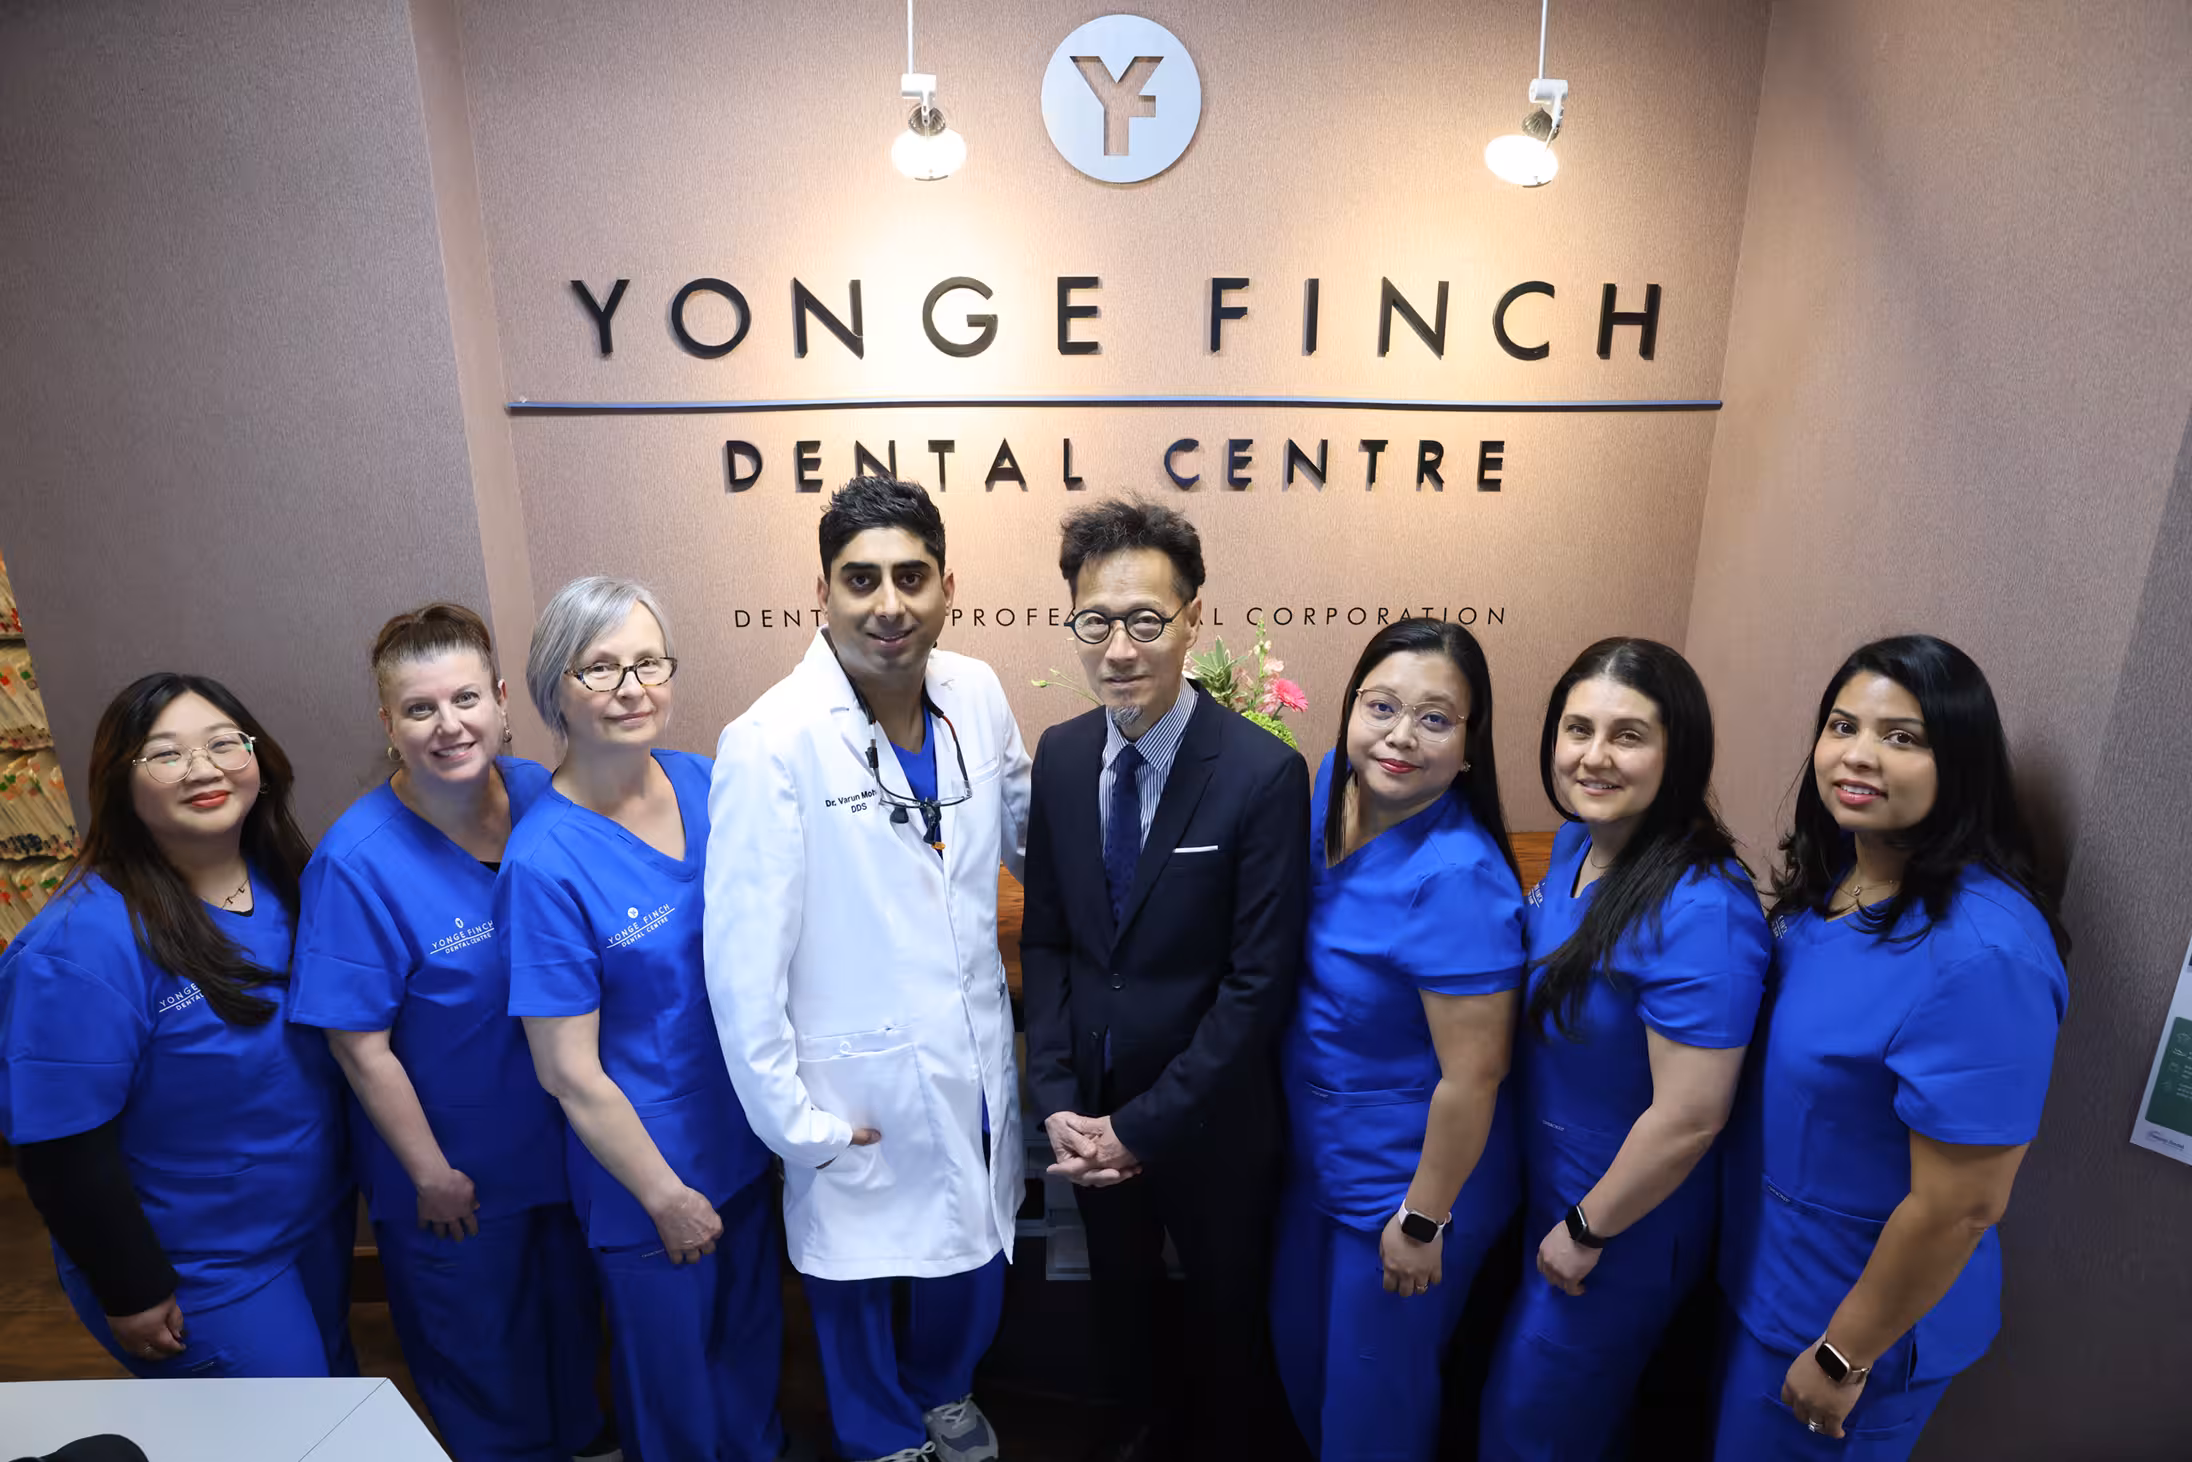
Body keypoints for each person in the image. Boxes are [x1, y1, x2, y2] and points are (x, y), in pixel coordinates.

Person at [708, 476, 1030, 1462]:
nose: (887, 603)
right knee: (849, 1276)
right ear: (823, 590)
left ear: (945, 585)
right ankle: (880, 1433)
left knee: (972, 1251)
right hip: (849, 1071)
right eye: (861, 580)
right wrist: (788, 1117)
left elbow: (1028, 821)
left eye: (909, 575)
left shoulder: (972, 691)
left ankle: (943, 1393)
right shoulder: (769, 739)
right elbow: (740, 961)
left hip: (970, 1050)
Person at [1714, 635, 2069, 1460]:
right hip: (1771, 1275)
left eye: (1902, 737)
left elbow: (1964, 1204)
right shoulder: (1841, 877)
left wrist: (1845, 1353)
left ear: (1963, 761)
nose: (1859, 755)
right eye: (1842, 726)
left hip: (1853, 1331)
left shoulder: (1985, 952)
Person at [1019, 497, 1310, 1462]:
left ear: (1193, 619)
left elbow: (1256, 985)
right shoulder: (1060, 756)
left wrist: (1141, 1127)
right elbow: (1054, 941)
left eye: (1146, 620)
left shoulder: (1263, 774)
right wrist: (1060, 1096)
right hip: (1090, 1115)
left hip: (1214, 1121)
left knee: (1229, 1334)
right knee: (1123, 1322)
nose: (1119, 648)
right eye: (1094, 621)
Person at [288, 604, 606, 1462]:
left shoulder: (546, 795)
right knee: (481, 1359)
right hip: (451, 1172)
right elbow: (358, 1045)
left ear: (503, 701)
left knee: (574, 1335)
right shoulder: (356, 863)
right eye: (420, 708)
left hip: (566, 1146)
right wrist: (431, 1176)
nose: (449, 725)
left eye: (466, 698)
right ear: (387, 723)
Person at [501, 577, 785, 1462]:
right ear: (556, 690)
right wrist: (663, 1196)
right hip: (647, 1177)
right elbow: (568, 1073)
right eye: (600, 668)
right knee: (675, 1398)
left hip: (741, 1139)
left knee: (750, 1362)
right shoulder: (545, 861)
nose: (632, 687)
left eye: (648, 662)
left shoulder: (709, 783)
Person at [0, 673, 352, 1378]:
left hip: (311, 1218)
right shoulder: (79, 945)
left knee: (335, 1396)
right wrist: (129, 1285)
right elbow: (61, 1146)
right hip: (200, 1264)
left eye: (225, 743)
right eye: (166, 754)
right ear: (119, 780)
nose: (204, 769)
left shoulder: (290, 879)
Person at [1479, 638, 1769, 1460]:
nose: (1593, 757)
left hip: (1620, 1224)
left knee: (1529, 1426)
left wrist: (1587, 1228)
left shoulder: (1702, 908)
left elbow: (1690, 1116)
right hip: (1547, 1189)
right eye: (1577, 729)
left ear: (1678, 752)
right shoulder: (1576, 846)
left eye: (1628, 735)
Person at [1271, 619, 1526, 1462]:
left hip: (1409, 1183)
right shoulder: (1329, 795)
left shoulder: (1457, 876)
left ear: (1470, 743)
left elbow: (1474, 1077)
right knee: (1305, 1371)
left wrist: (1424, 1218)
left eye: (1434, 718)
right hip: (1321, 1158)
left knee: (1371, 1413)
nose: (1400, 737)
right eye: (1382, 706)